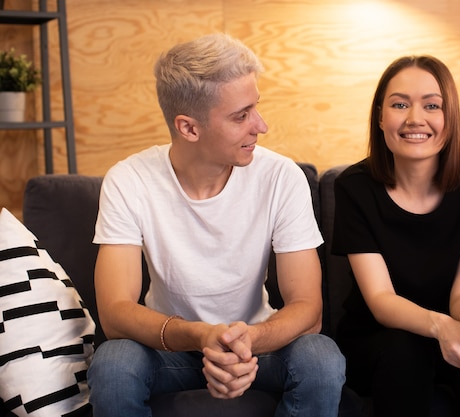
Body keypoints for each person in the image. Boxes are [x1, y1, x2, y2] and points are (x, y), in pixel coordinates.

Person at [87, 33, 345, 417]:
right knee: (113, 363)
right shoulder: (129, 180)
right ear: (189, 128)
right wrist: (199, 336)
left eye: (255, 107)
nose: (261, 125)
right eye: (241, 116)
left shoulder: (281, 176)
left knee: (321, 358)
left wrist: (250, 340)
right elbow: (115, 313)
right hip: (170, 351)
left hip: (257, 348)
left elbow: (308, 307)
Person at [331, 55, 460, 416]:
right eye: (400, 104)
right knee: (405, 353)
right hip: (377, 339)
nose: (415, 118)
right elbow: (381, 300)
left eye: (432, 105)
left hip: (450, 326)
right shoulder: (355, 188)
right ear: (380, 117)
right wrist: (440, 325)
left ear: (450, 118)